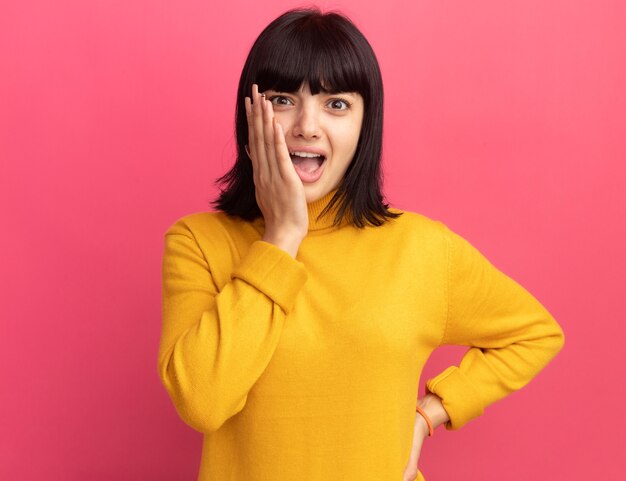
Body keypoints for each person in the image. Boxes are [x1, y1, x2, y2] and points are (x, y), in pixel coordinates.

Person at [157, 7, 565, 481]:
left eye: (336, 104)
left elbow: (535, 334)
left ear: (365, 124)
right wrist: (282, 237)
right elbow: (202, 402)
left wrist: (428, 414)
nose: (307, 126)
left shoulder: (422, 249)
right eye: (283, 99)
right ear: (250, 116)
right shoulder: (198, 244)